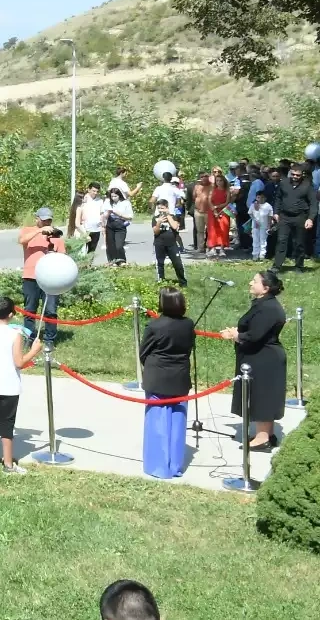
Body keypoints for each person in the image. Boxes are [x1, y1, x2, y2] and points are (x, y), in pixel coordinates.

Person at [219, 269, 287, 450]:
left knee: (262, 396)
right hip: (262, 355)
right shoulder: (264, 304)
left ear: (265, 288)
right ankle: (266, 434)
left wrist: (236, 335)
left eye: (255, 281)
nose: (250, 283)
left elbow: (255, 335)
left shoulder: (268, 308)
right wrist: (237, 333)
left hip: (264, 358)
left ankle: (262, 438)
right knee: (262, 394)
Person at [0, 295, 42, 474]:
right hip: (9, 386)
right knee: (7, 425)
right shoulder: (15, 334)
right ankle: (8, 464)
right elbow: (19, 362)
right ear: (11, 314)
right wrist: (34, 351)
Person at [139, 286, 194, 479]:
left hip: (158, 377)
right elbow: (189, 348)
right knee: (178, 422)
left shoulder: (155, 326)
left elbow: (143, 352)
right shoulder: (188, 324)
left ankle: (158, 466)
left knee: (157, 421)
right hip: (180, 376)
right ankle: (175, 465)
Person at [18, 208, 65, 343]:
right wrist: (39, 231)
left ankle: (49, 339)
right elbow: (22, 240)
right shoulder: (28, 231)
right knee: (29, 310)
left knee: (50, 310)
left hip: (50, 279)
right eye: (43, 220)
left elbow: (63, 257)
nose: (46, 223)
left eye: (49, 220)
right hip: (31, 276)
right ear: (36, 219)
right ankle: (29, 337)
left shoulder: (56, 237)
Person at [271, 164, 317, 271]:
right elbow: (278, 198)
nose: (295, 176)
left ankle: (299, 266)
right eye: (293, 174)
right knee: (281, 241)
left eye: (297, 175)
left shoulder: (307, 186)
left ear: (302, 175)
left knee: (299, 243)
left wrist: (310, 218)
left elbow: (313, 203)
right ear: (290, 173)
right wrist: (276, 212)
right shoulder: (284, 183)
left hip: (300, 217)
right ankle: (277, 266)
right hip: (284, 216)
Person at [150, 204, 185, 284]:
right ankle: (161, 280)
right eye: (159, 208)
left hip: (172, 243)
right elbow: (155, 232)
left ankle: (182, 281)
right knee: (160, 263)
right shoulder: (155, 218)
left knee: (177, 263)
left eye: (162, 208)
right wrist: (159, 222)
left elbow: (175, 227)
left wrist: (168, 216)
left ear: (167, 208)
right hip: (159, 243)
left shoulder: (173, 217)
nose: (160, 210)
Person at [206, 171, 232, 258]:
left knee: (224, 229)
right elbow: (209, 201)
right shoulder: (212, 190)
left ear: (224, 181)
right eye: (217, 181)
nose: (219, 182)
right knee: (212, 229)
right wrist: (214, 209)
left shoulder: (227, 191)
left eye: (221, 180)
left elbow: (227, 202)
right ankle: (212, 248)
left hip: (223, 211)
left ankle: (222, 248)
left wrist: (217, 207)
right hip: (212, 211)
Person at [103, 188, 131, 264]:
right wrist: (108, 213)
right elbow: (104, 215)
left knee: (119, 245)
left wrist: (119, 214)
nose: (113, 198)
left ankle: (122, 261)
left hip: (120, 224)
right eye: (112, 196)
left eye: (115, 196)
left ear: (119, 195)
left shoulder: (125, 203)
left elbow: (130, 217)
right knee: (110, 245)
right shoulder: (108, 202)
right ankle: (112, 261)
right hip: (110, 225)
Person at [77, 184, 106, 255]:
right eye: (93, 191)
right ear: (89, 190)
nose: (95, 193)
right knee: (82, 250)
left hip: (96, 229)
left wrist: (103, 226)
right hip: (85, 229)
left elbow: (102, 214)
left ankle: (89, 262)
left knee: (92, 250)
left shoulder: (100, 201)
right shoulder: (84, 199)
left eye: (97, 191)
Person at [252, 191, 274, 260]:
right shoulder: (254, 205)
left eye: (262, 197)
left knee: (263, 240)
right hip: (255, 225)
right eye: (258, 197)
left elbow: (270, 216)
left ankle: (262, 255)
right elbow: (250, 213)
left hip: (264, 226)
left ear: (265, 198)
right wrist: (255, 220)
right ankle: (255, 254)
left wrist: (269, 225)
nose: (260, 199)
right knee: (255, 239)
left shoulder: (268, 206)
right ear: (256, 198)